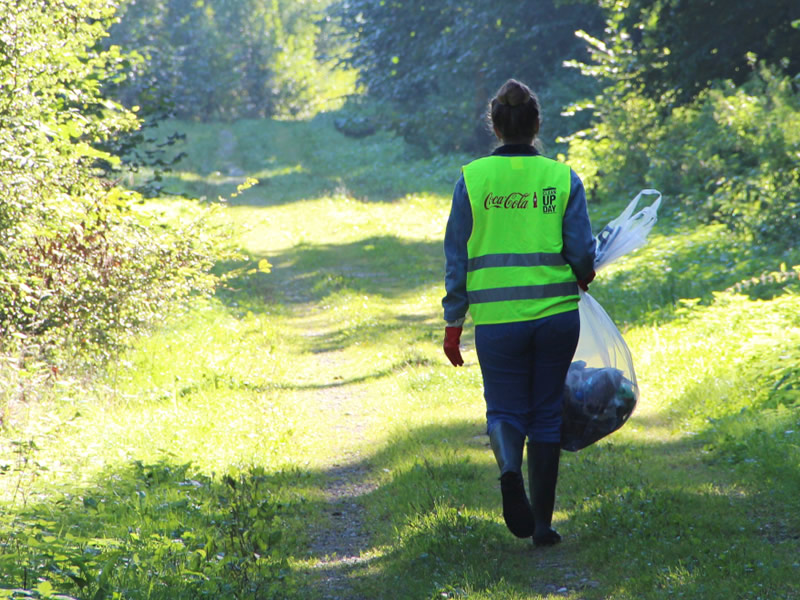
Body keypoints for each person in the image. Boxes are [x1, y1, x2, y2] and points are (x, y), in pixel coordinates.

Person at [441, 78, 596, 547]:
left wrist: (454, 323)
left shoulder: (472, 179)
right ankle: (543, 526)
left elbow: (457, 257)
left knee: (505, 408)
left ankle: (509, 469)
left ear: (496, 124)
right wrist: (584, 273)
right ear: (535, 124)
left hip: (498, 321)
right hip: (555, 317)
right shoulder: (561, 178)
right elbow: (582, 255)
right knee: (547, 413)